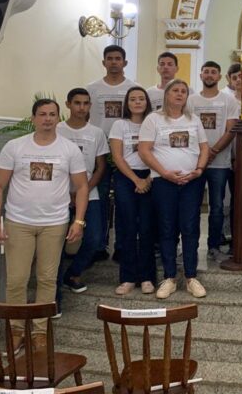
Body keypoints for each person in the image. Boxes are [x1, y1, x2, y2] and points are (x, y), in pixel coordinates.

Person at [0, 99, 88, 350]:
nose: (47, 119)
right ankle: (16, 329)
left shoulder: (69, 149)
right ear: (33, 118)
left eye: (52, 114)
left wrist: (79, 221)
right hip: (18, 222)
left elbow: (82, 186)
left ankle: (40, 331)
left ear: (58, 118)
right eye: (42, 114)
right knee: (17, 279)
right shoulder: (15, 147)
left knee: (47, 279)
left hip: (54, 223)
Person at [138, 79, 210, 299]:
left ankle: (190, 277)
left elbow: (204, 147)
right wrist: (164, 172)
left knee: (190, 228)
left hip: (191, 182)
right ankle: (169, 277)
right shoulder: (153, 119)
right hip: (163, 182)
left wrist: (199, 169)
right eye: (175, 91)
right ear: (166, 94)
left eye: (183, 92)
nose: (180, 94)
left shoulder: (193, 119)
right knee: (167, 228)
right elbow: (145, 150)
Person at [86, 44, 137, 261]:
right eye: (110, 58)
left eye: (118, 58)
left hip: (125, 153)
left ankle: (122, 246)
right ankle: (99, 244)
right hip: (99, 151)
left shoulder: (133, 88)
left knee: (125, 201)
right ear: (104, 62)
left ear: (125, 63)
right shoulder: (92, 88)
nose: (114, 62)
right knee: (100, 198)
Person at [56, 88, 109, 294]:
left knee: (95, 239)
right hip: (59, 195)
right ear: (68, 104)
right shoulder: (58, 130)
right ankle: (55, 281)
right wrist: (67, 192)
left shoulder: (95, 133)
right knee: (58, 240)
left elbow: (101, 166)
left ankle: (74, 273)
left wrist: (84, 190)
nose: (82, 107)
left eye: (86, 103)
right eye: (77, 103)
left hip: (89, 193)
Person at [188, 61, 240, 262]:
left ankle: (213, 246)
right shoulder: (191, 101)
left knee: (217, 207)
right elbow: (188, 128)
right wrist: (203, 153)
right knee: (192, 206)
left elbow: (231, 130)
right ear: (201, 75)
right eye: (206, 72)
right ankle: (189, 246)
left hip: (220, 163)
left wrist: (213, 151)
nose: (209, 75)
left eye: (213, 72)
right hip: (194, 162)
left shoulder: (229, 101)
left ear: (219, 77)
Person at [109, 87, 155, 295]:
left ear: (147, 102)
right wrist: (136, 179)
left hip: (151, 175)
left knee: (147, 228)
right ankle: (127, 277)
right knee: (127, 227)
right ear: (127, 103)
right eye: (133, 99)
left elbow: (162, 152)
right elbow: (117, 157)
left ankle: (147, 277)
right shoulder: (120, 125)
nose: (137, 102)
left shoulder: (154, 122)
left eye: (141, 99)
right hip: (126, 177)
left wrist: (148, 177)